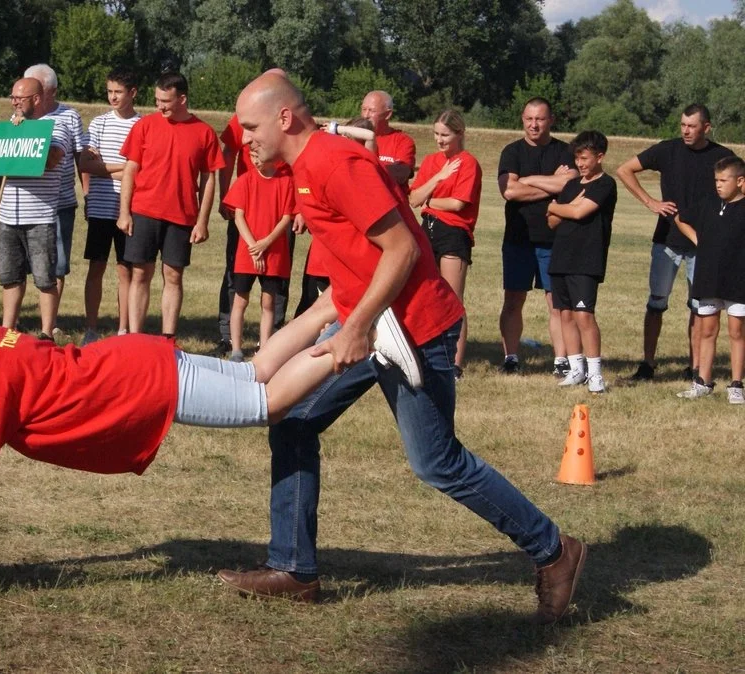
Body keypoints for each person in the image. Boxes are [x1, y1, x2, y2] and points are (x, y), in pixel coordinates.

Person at [215, 74, 586, 625]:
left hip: (414, 330)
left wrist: (357, 325)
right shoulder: (307, 162)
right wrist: (315, 334)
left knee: (438, 463)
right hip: (370, 325)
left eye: (251, 128)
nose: (245, 138)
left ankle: (555, 550)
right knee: (292, 421)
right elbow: (351, 266)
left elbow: (403, 249)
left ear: (286, 119)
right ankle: (294, 569)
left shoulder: (334, 164)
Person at [0, 292, 418, 557]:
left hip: (143, 384)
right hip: (134, 359)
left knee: (269, 404)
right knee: (254, 370)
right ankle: (331, 302)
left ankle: (363, 338)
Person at [616, 104, 737, 383]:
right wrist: (650, 202)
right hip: (666, 240)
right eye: (682, 125)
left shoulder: (722, 156)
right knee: (656, 303)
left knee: (699, 307)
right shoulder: (666, 150)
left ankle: (694, 368)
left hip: (701, 244)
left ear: (706, 127)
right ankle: (647, 364)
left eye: (691, 126)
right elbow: (625, 170)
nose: (685, 130)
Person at [119, 72, 225, 337]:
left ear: (182, 99)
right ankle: (135, 337)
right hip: (144, 211)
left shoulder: (204, 133)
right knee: (140, 273)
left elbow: (209, 177)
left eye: (165, 101)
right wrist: (124, 213)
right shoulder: (144, 126)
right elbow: (130, 169)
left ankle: (168, 338)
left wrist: (202, 221)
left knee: (174, 276)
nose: (160, 106)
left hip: (182, 217)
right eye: (156, 100)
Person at [0, 78, 65, 339]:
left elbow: (52, 160)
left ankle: (46, 332)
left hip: (40, 217)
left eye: (20, 98)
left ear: (37, 99)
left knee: (44, 278)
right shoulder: (5, 130)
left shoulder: (56, 127)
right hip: (7, 217)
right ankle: (8, 329)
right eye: (13, 97)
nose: (14, 102)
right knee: (10, 277)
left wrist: (26, 133)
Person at [497, 98, 577, 376]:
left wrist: (528, 180)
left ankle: (561, 361)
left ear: (551, 120)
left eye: (540, 119)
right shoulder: (512, 151)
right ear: (522, 119)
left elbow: (570, 183)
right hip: (518, 238)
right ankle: (511, 358)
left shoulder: (566, 151)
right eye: (529, 119)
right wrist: (549, 183)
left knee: (556, 302)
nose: (534, 124)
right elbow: (509, 192)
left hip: (555, 239)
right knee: (513, 299)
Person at [407, 110, 481, 379]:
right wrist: (437, 178)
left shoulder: (468, 163)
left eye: (445, 135)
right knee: (427, 294)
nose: (439, 140)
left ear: (460, 133)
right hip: (428, 230)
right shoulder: (431, 162)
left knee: (452, 298)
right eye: (436, 134)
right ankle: (428, 354)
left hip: (454, 233)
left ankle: (456, 364)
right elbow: (413, 199)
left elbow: (457, 204)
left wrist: (429, 201)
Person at [546, 131, 618, 394]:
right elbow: (551, 221)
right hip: (561, 257)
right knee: (564, 314)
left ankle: (595, 373)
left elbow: (578, 211)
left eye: (585, 158)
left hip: (586, 259)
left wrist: (557, 207)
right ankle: (576, 369)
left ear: (600, 157)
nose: (580, 164)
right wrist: (558, 209)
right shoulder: (571, 186)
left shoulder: (605, 185)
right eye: (577, 158)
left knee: (584, 315)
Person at [672, 156, 745, 403]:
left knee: (737, 332)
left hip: (738, 280)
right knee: (706, 330)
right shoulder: (708, 203)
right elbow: (680, 219)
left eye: (724, 180)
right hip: (708, 278)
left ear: (740, 181)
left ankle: (736, 384)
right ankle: (702, 381)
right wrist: (697, 239)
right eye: (716, 180)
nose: (719, 185)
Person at [77, 67, 140, 345]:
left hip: (130, 207)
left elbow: (143, 170)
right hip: (102, 206)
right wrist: (125, 167)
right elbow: (86, 164)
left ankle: (124, 328)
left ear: (133, 93)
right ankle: (91, 327)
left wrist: (107, 167)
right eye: (109, 91)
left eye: (118, 92)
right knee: (97, 266)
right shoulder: (99, 124)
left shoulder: (142, 125)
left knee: (126, 269)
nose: (113, 97)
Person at [294, 118, 377, 318]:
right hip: (325, 251)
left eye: (348, 137)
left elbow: (371, 135)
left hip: (349, 249)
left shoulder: (366, 161)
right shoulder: (335, 161)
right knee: (311, 305)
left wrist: (337, 128)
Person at [25, 64, 87, 323]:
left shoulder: (69, 117)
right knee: (23, 263)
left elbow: (81, 158)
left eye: (36, 89)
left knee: (56, 264)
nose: (30, 95)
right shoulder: (21, 117)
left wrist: (88, 195)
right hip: (27, 203)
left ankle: (48, 322)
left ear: (51, 90)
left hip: (59, 203)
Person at [224, 157, 296, 362]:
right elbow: (238, 216)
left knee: (269, 301)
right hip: (248, 252)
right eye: (252, 156)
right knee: (240, 299)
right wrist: (253, 246)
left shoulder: (285, 182)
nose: (255, 161)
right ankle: (236, 349)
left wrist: (266, 243)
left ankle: (264, 349)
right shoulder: (246, 179)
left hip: (274, 252)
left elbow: (286, 217)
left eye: (259, 157)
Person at [360, 90, 415, 193]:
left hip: (394, 205)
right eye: (363, 109)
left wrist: (364, 170)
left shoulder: (402, 141)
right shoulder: (355, 137)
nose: (365, 115)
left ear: (388, 114)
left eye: (372, 111)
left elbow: (401, 174)